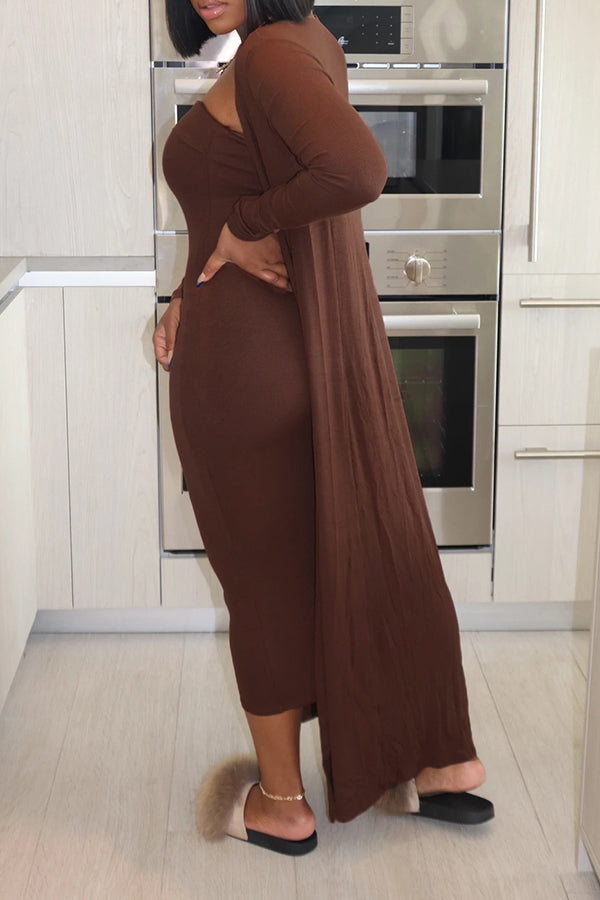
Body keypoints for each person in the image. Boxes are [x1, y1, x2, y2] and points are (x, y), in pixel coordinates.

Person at [153, 0, 493, 857]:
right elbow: (254, 195)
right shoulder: (307, 43)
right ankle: (437, 761)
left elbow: (355, 168)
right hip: (305, 355)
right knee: (362, 549)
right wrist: (188, 287)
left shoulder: (268, 56)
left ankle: (280, 804)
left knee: (263, 587)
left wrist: (240, 231)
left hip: (244, 375)